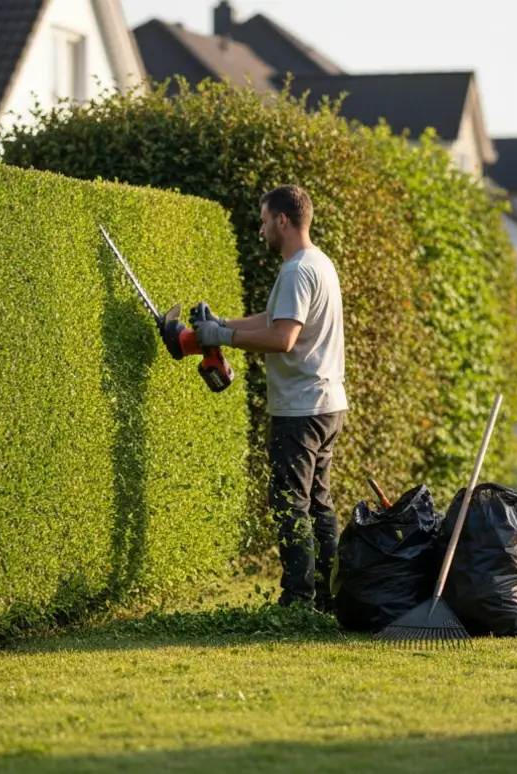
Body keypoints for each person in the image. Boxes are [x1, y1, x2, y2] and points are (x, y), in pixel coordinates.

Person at [192, 184, 348, 611]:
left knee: (290, 503)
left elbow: (282, 337)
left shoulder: (298, 270)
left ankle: (298, 599)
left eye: (263, 221)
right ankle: (330, 596)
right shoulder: (319, 264)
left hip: (301, 408)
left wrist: (223, 337)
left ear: (282, 220)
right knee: (318, 501)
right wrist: (223, 324)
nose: (261, 229)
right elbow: (274, 318)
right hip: (328, 402)